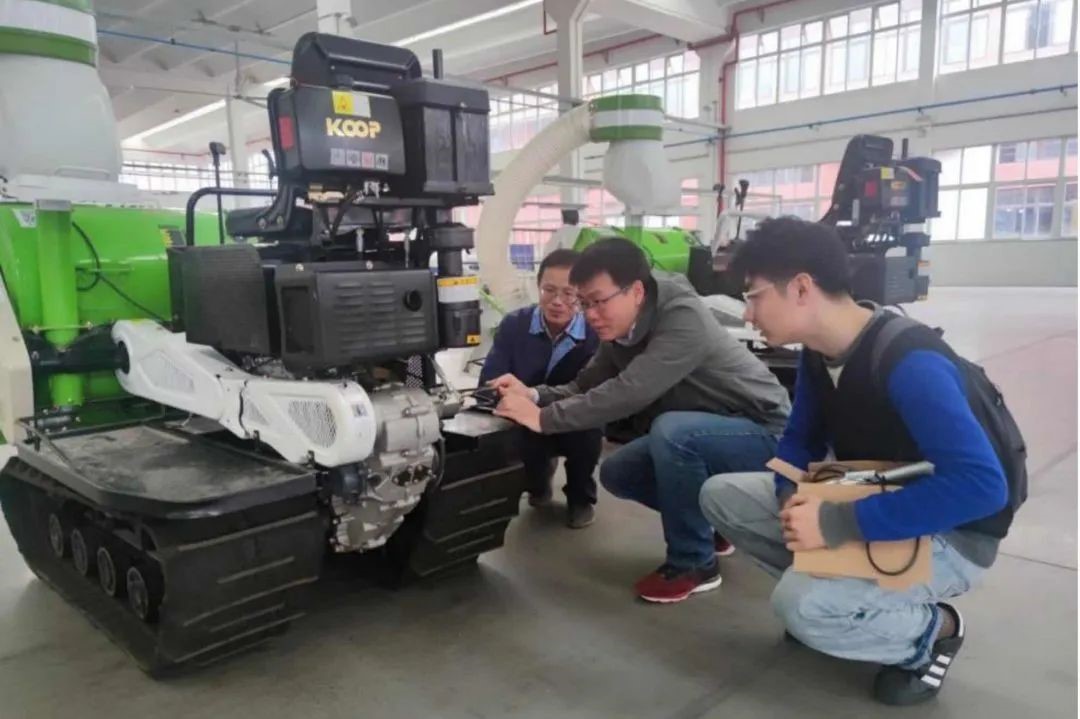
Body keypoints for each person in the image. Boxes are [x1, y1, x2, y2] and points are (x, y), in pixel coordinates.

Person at [699, 217, 1010, 705]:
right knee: (722, 495)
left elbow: (982, 488)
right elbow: (800, 439)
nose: (748, 313)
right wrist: (790, 498)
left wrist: (836, 522)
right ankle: (837, 596)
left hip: (953, 530)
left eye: (754, 296)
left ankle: (933, 632)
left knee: (801, 607)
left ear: (801, 288)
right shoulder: (819, 352)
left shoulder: (911, 364)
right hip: (883, 494)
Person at [492, 237, 790, 603]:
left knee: (673, 432)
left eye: (598, 301)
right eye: (584, 303)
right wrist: (533, 395)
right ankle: (713, 524)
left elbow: (631, 390)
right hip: (706, 432)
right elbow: (584, 386)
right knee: (619, 472)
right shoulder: (619, 328)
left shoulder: (683, 318)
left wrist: (543, 418)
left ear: (635, 291)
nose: (590, 315)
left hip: (767, 433)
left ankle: (694, 563)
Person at [479, 249, 602, 529]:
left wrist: (535, 398)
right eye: (549, 290)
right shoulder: (515, 325)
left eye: (568, 293)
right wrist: (511, 398)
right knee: (513, 446)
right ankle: (537, 480)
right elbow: (491, 378)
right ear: (538, 286)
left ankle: (580, 498)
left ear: (582, 294)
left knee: (590, 429)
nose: (557, 301)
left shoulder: (595, 333)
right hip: (523, 416)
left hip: (574, 416)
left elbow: (592, 391)